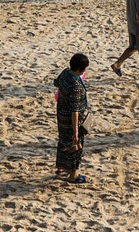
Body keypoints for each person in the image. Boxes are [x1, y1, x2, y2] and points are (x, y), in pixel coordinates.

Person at [55, 53, 91, 184]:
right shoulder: (75, 85)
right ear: (81, 68)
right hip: (71, 119)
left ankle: (61, 167)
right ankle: (73, 175)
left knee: (63, 141)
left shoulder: (65, 73)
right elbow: (75, 111)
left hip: (61, 114)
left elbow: (56, 83)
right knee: (75, 146)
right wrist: (76, 132)